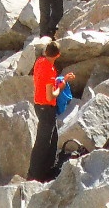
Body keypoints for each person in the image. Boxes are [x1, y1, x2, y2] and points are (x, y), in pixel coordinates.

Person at [29, 41, 74, 181]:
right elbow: (51, 95)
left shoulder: (40, 61)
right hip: (46, 108)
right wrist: (62, 85)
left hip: (38, 104)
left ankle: (48, 170)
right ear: (58, 55)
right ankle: (35, 175)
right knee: (43, 142)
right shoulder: (49, 70)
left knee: (53, 138)